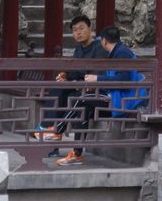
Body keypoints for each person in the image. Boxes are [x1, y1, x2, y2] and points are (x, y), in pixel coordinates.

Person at [55, 25, 146, 167]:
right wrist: (97, 85)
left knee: (84, 99)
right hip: (117, 98)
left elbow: (124, 81)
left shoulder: (122, 53)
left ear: (104, 41)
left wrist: (97, 80)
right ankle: (76, 154)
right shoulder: (117, 52)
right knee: (84, 108)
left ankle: (57, 131)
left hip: (125, 101)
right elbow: (114, 80)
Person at [32, 15, 108, 145]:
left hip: (97, 92)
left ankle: (50, 130)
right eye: (74, 30)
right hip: (81, 89)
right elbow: (76, 71)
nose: (78, 32)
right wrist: (65, 75)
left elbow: (96, 74)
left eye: (81, 28)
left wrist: (76, 80)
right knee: (58, 89)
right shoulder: (79, 49)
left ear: (90, 29)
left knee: (66, 96)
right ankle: (50, 131)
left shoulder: (99, 48)